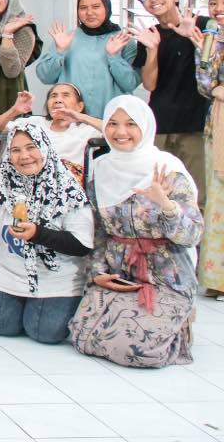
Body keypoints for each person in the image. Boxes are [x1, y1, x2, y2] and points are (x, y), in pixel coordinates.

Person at [69, 96, 203, 368]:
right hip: (120, 273)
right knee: (82, 335)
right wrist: (97, 272)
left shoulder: (167, 168)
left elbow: (193, 235)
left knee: (138, 349)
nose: (121, 132)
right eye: (113, 124)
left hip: (166, 276)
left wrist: (166, 206)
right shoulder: (100, 169)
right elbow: (98, 231)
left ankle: (181, 326)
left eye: (131, 124)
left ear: (145, 126)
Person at [0, 120, 94, 344]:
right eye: (16, 150)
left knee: (45, 332)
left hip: (55, 280)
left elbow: (81, 245)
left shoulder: (67, 188)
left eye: (31, 147)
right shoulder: (3, 184)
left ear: (45, 147)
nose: (24, 156)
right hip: (7, 274)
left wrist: (37, 234)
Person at [130, 0, 209, 205]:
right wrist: (152, 49)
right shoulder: (149, 35)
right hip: (161, 124)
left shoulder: (203, 24)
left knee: (197, 196)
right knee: (161, 193)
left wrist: (193, 37)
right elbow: (149, 85)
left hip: (196, 124)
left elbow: (213, 68)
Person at [34, 0, 139, 119]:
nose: (89, 12)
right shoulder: (67, 38)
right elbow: (45, 77)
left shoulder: (123, 40)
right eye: (83, 8)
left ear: (107, 8)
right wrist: (59, 51)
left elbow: (130, 84)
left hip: (110, 119)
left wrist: (114, 57)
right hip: (71, 119)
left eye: (96, 7)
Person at [0, 86, 100, 172]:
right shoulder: (34, 122)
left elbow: (110, 129)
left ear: (79, 106)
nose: (58, 100)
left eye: (65, 95)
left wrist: (81, 117)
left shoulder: (88, 129)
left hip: (68, 186)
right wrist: (15, 110)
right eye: (53, 96)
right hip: (29, 178)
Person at [194, 0, 224, 298]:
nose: (218, 8)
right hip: (219, 122)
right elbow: (204, 83)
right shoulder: (209, 39)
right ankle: (217, 279)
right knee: (217, 198)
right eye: (213, 3)